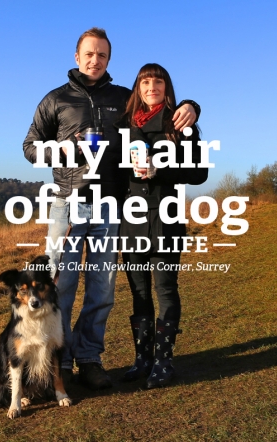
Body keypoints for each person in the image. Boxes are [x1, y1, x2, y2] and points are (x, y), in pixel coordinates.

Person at [23, 28, 199, 390]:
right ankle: (59, 364)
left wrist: (192, 107)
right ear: (76, 57)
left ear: (108, 59)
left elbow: (158, 107)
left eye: (102, 55)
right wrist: (60, 151)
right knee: (63, 288)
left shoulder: (122, 98)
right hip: (68, 205)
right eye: (89, 54)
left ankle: (89, 359)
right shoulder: (55, 100)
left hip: (112, 207)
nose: (95, 60)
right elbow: (29, 147)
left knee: (101, 291)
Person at [115, 63, 208, 389]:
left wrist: (160, 166)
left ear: (166, 88)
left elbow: (199, 173)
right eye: (145, 82)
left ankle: (164, 362)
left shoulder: (179, 123)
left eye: (158, 82)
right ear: (137, 90)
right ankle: (143, 359)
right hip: (132, 221)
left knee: (165, 290)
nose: (151, 86)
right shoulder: (124, 126)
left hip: (166, 220)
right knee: (138, 293)